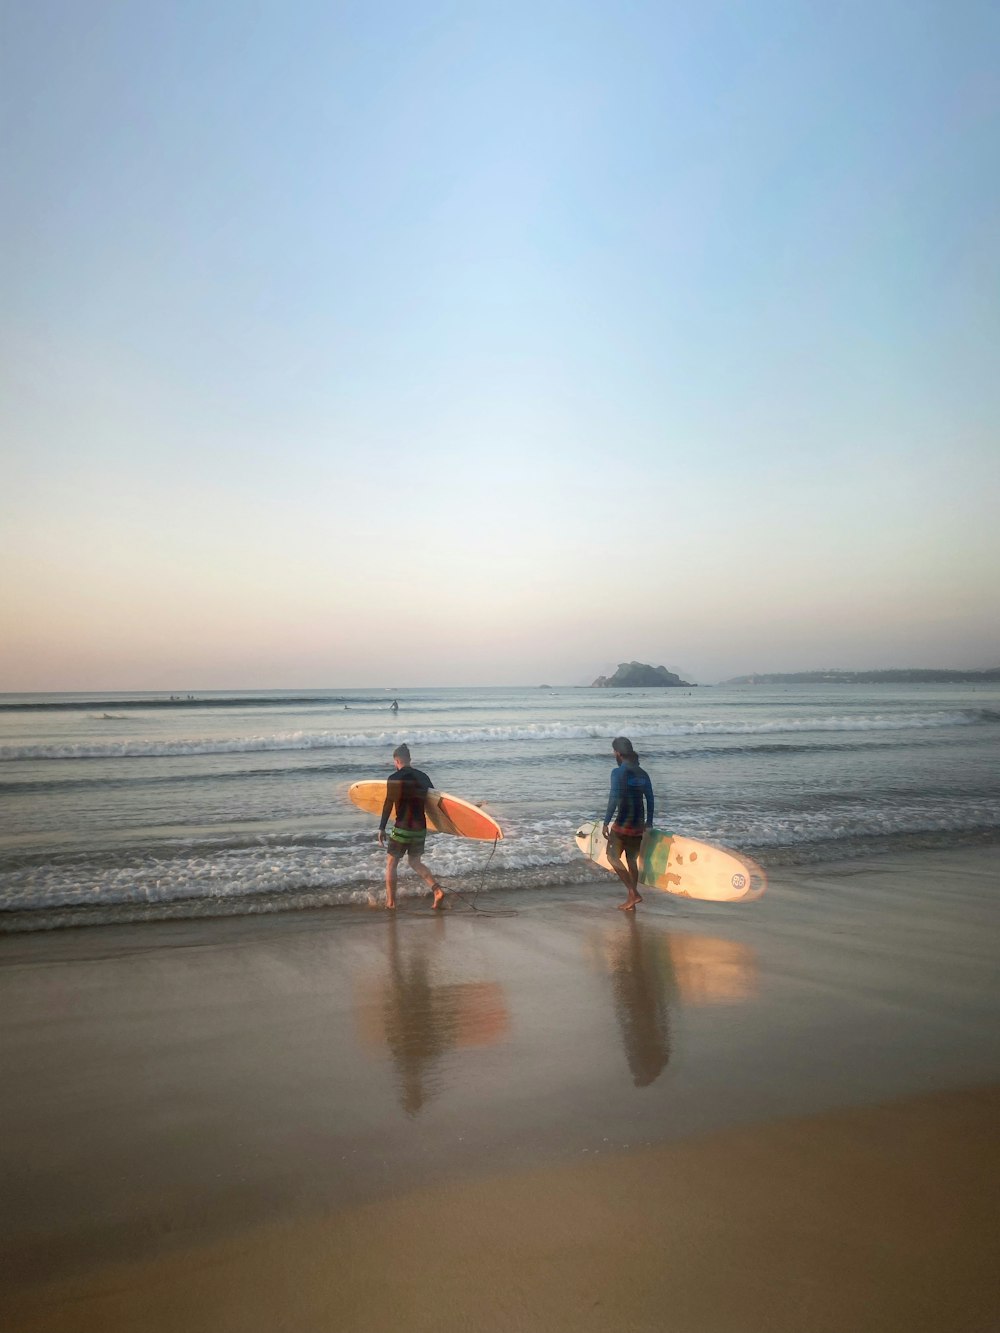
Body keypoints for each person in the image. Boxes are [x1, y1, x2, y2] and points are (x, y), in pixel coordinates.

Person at [378, 744, 445, 911]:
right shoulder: (423, 777)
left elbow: (388, 804)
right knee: (415, 861)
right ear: (410, 759)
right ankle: (437, 890)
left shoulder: (394, 778)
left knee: (391, 864)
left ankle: (391, 903)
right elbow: (435, 801)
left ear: (397, 760)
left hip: (402, 827)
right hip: (420, 827)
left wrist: (381, 828)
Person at [602, 736, 655, 911]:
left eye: (613, 751)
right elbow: (650, 798)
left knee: (612, 857)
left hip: (623, 824)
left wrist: (606, 822)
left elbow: (613, 799)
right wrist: (649, 822)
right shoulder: (643, 773)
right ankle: (631, 900)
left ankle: (633, 892)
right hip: (638, 824)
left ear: (618, 753)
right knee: (631, 860)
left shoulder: (617, 773)